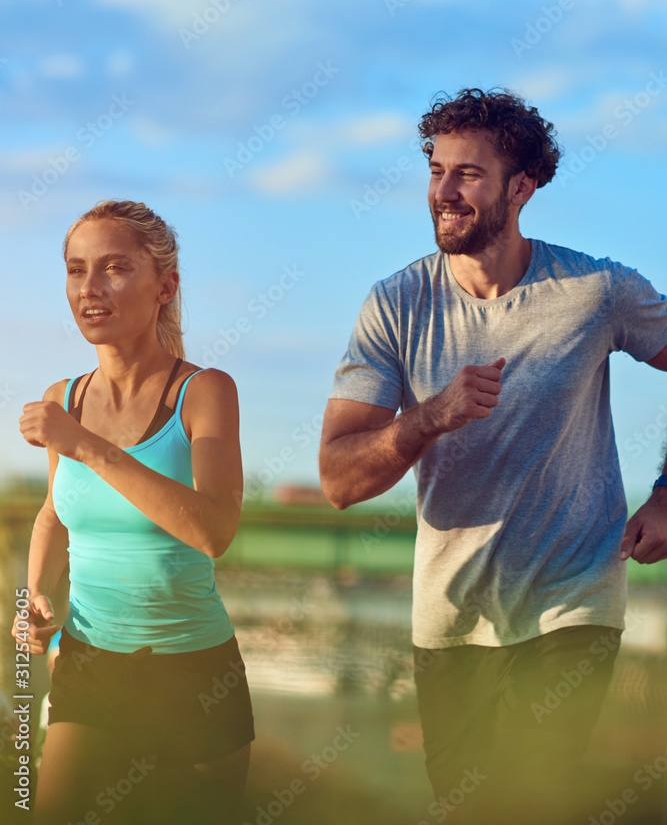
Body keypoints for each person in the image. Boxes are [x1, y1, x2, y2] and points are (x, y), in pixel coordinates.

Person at [318, 88, 667, 824]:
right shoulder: (395, 304)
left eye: (467, 175)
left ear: (521, 188)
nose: (443, 193)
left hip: (571, 603)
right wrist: (428, 418)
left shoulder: (595, 290)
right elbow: (340, 480)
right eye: (436, 170)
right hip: (450, 617)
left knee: (528, 802)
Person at [13, 199, 253, 825]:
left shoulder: (204, 392)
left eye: (115, 268)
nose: (90, 289)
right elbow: (53, 518)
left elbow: (213, 530)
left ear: (165, 286)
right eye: (76, 269)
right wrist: (33, 603)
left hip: (196, 674)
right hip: (87, 661)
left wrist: (87, 445)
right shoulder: (63, 398)